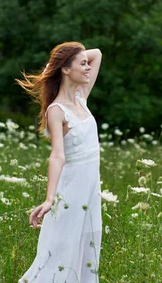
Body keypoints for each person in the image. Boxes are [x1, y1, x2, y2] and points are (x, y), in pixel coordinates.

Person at [15, 42, 103, 283]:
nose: (88, 68)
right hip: (71, 193)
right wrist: (49, 199)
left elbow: (97, 54)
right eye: (81, 64)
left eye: (87, 65)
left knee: (87, 251)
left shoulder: (81, 97)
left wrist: (60, 63)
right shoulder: (56, 110)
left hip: (90, 194)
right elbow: (57, 155)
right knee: (61, 254)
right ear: (66, 69)